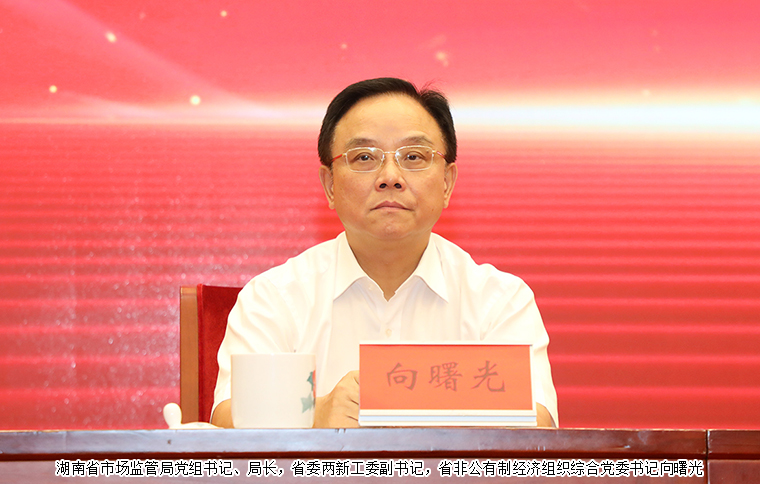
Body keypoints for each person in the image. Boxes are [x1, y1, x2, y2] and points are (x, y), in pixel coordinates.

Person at [211, 78, 558, 428]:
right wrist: (316, 416)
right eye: (364, 157)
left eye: (413, 157)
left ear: (447, 183)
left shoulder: (499, 301)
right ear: (330, 185)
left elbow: (539, 428)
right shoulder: (275, 298)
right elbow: (226, 422)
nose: (390, 177)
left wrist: (408, 404)